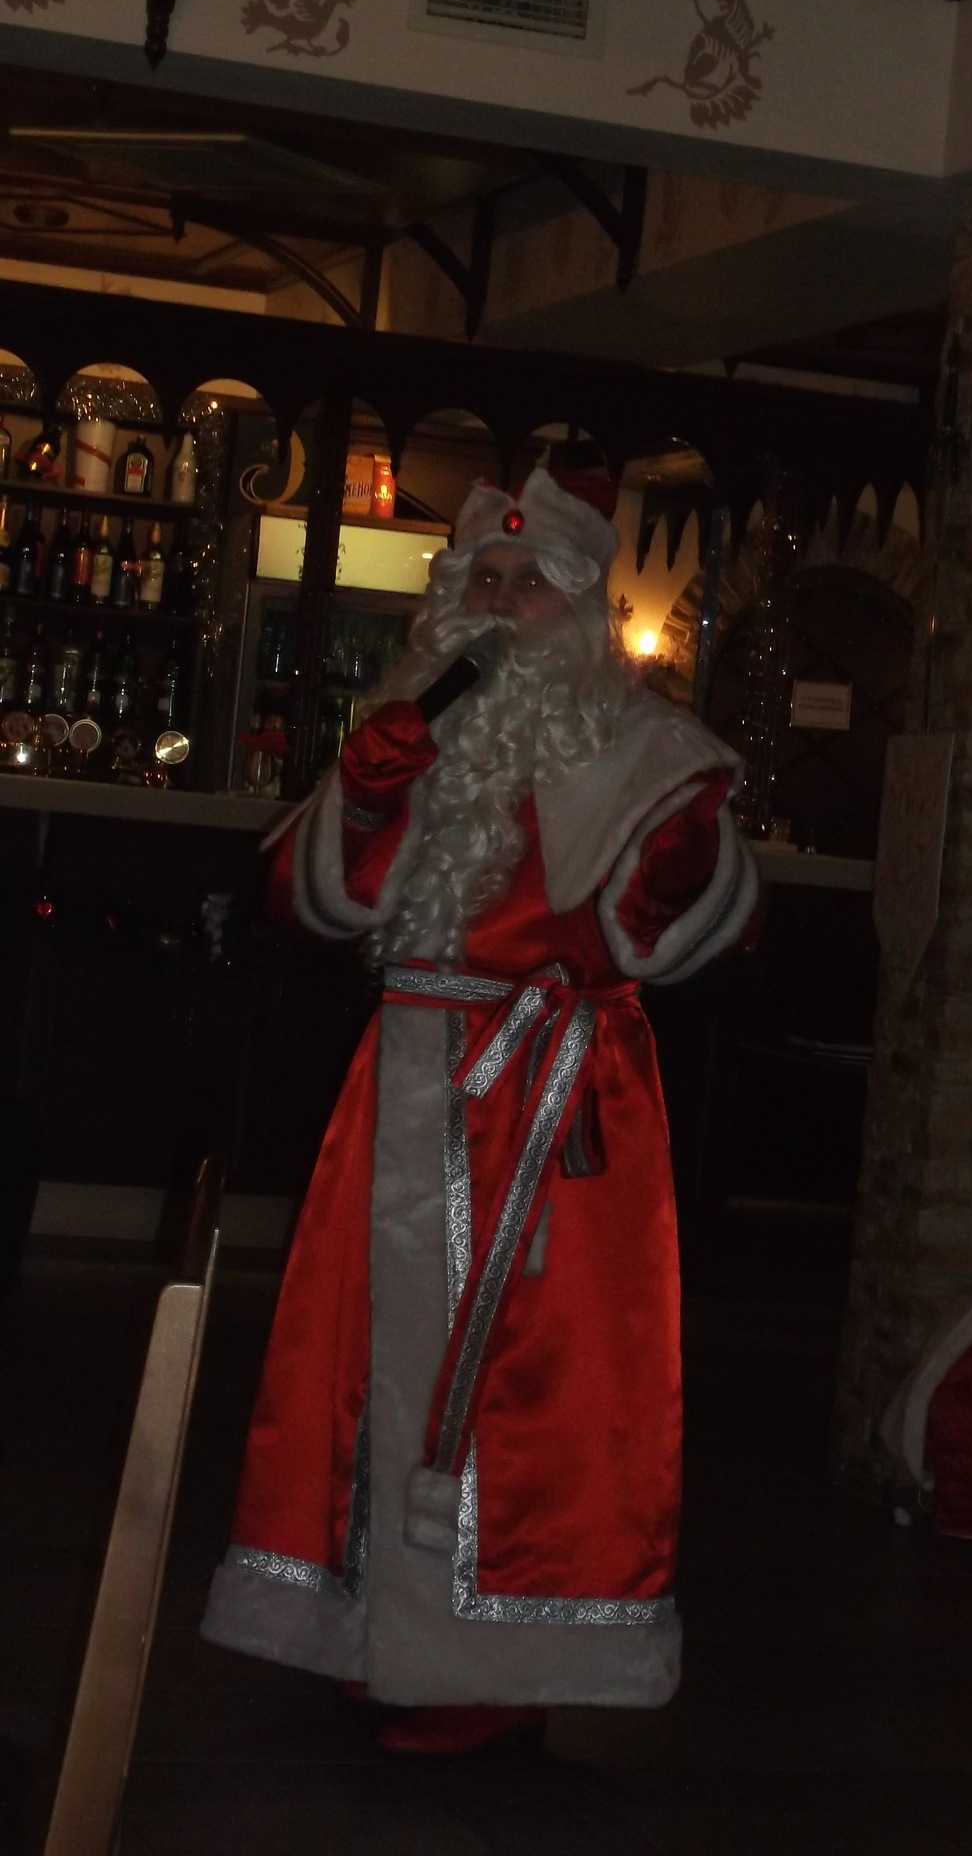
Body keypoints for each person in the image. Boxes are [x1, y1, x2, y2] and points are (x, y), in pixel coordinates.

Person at [202, 466, 758, 1754]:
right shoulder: (414, 723)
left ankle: (495, 1666)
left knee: (533, 1384)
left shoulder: (653, 749)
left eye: (529, 583)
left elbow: (669, 927)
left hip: (555, 1108)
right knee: (368, 1367)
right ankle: (375, 1635)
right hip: (402, 1085)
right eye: (484, 580)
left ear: (582, 606)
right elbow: (305, 903)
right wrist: (365, 794)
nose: (501, 603)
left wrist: (679, 863)